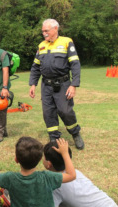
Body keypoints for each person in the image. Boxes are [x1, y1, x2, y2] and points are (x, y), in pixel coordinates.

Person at [28, 18, 84, 150]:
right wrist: (33, 84)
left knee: (65, 111)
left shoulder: (66, 42)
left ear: (55, 29)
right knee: (48, 113)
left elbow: (75, 64)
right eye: (42, 31)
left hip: (63, 84)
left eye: (46, 30)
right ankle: (54, 138)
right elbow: (35, 67)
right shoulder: (41, 45)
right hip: (46, 86)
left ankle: (75, 133)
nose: (44, 33)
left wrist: (74, 85)